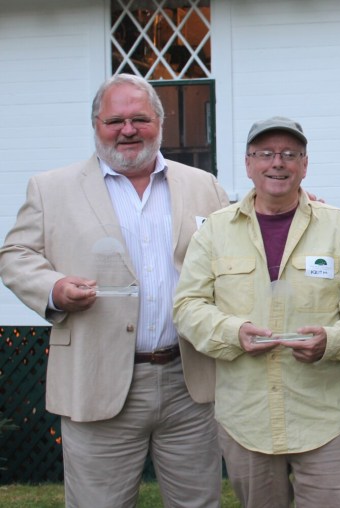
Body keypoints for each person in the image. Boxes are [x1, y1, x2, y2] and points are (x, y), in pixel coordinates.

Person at [0, 74, 229, 507]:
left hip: (191, 381)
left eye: (140, 118)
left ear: (160, 123)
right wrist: (54, 288)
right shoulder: (51, 189)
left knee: (198, 502)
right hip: (95, 376)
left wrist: (292, 203)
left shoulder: (204, 186)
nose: (128, 129)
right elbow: (15, 254)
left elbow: (242, 240)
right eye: (115, 120)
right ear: (96, 125)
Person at [172, 116, 340, 508]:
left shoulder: (339, 227)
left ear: (305, 164)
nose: (277, 163)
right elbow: (187, 306)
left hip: (323, 417)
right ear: (248, 164)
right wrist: (233, 333)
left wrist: (331, 342)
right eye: (265, 153)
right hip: (246, 417)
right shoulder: (216, 231)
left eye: (289, 154)